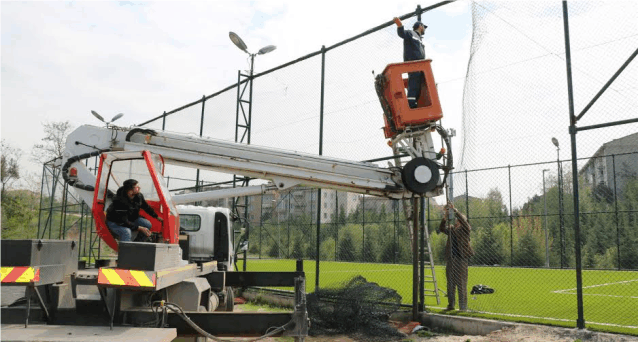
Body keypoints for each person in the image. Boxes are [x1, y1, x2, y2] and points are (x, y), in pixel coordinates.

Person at [438, 203, 473, 311]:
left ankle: (463, 307)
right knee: (450, 284)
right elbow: (441, 228)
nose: (457, 221)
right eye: (457, 220)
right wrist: (445, 217)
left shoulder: (465, 230)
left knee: (461, 284)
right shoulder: (452, 229)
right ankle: (451, 305)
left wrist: (455, 211)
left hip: (461, 260)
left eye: (459, 220)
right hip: (451, 260)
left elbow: (465, 223)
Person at [393, 17, 428, 109]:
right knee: (413, 84)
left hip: (420, 66)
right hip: (412, 64)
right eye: (424, 27)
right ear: (420, 26)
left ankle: (414, 103)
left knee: (418, 86)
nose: (424, 29)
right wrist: (399, 25)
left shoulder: (420, 39)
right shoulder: (411, 33)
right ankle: (411, 105)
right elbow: (402, 33)